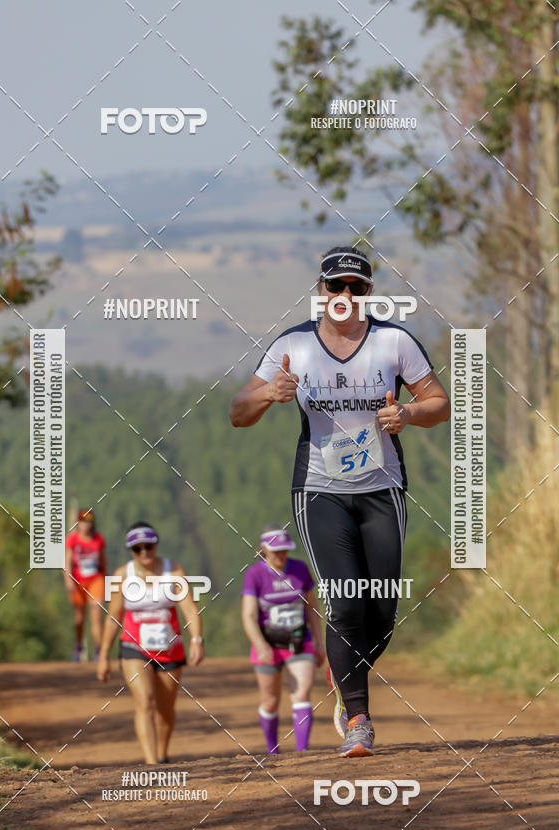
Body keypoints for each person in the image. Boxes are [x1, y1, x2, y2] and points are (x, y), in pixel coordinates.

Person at [230, 246, 450, 757]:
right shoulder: (294, 347)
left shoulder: (394, 341)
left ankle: (344, 675)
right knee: (346, 599)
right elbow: (238, 412)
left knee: (382, 611)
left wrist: (409, 416)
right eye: (336, 287)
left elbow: (438, 403)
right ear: (321, 291)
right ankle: (359, 718)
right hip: (320, 490)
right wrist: (269, 394)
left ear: (369, 294)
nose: (345, 296)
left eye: (356, 288)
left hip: (382, 487)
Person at [97, 521, 204, 764]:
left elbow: (190, 610)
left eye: (149, 546)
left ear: (156, 545)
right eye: (138, 548)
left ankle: (162, 754)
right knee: (146, 701)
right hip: (134, 648)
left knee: (165, 711)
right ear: (131, 551)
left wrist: (197, 640)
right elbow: (113, 617)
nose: (144, 552)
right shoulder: (123, 575)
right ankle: (151, 764)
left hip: (170, 649)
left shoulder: (174, 571)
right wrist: (103, 655)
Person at [242, 525, 325, 754]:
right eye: (275, 551)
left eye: (284, 551)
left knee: (301, 690)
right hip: (268, 643)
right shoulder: (255, 575)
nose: (280, 556)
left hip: (299, 640)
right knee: (270, 701)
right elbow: (248, 615)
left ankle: (302, 752)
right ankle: (273, 751)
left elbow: (312, 609)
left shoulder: (299, 570)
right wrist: (260, 644)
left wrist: (319, 642)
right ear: (264, 550)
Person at [64, 509, 107, 662]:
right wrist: (68, 580)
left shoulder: (99, 540)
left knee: (96, 615)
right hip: (77, 581)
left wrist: (106, 580)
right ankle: (78, 645)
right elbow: (67, 561)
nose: (85, 525)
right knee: (79, 618)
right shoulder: (72, 539)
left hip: (96, 580)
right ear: (78, 523)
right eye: (82, 521)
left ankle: (98, 649)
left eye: (88, 522)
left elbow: (103, 560)